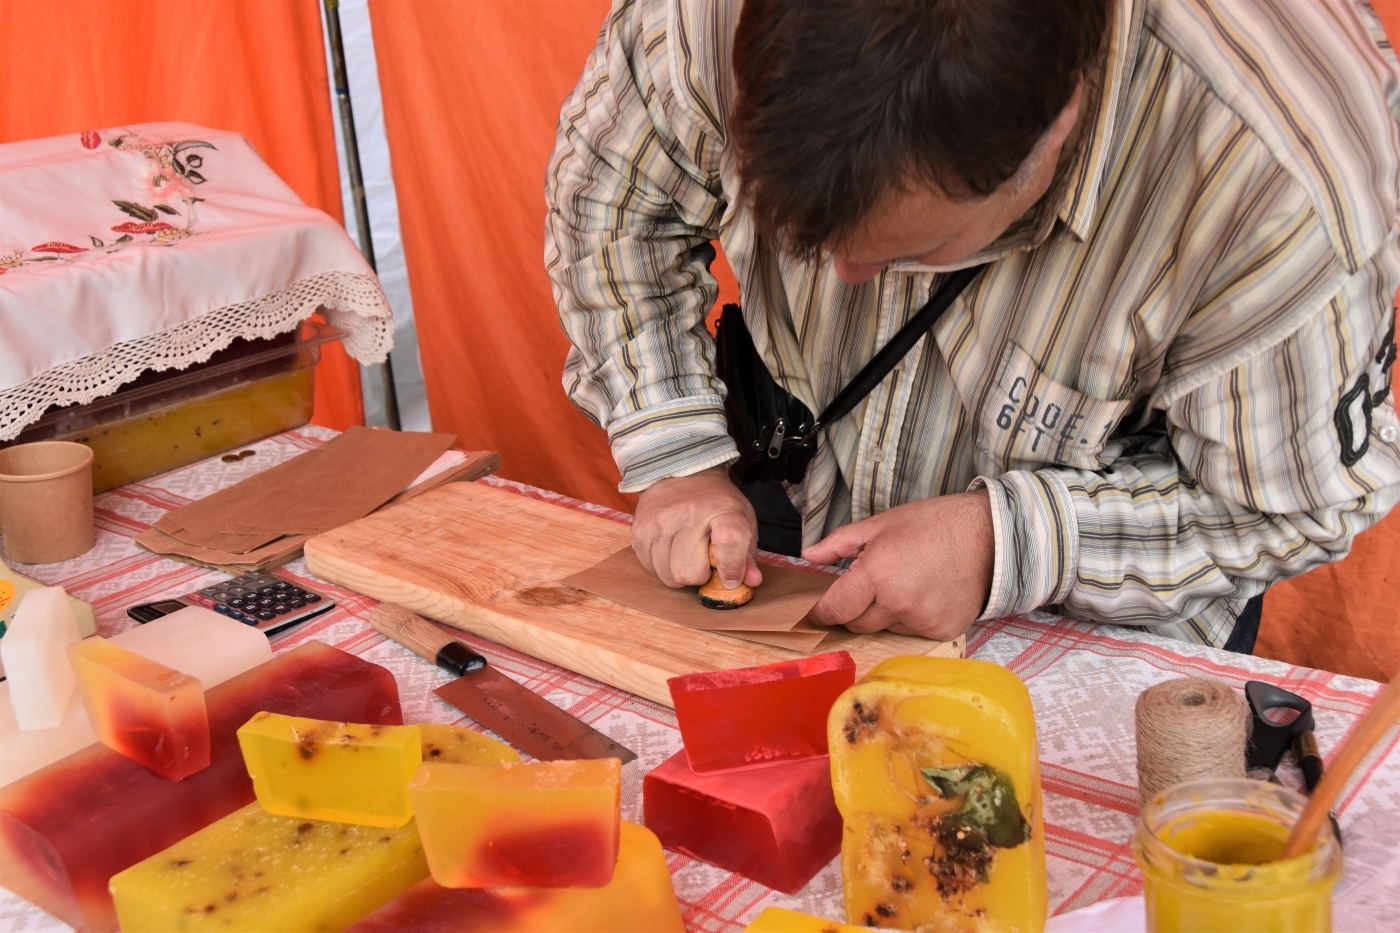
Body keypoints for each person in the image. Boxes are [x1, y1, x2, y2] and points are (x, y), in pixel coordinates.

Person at [544, 0, 1400, 651]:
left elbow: (1280, 507)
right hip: (788, 470)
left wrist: (1007, 543)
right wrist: (682, 457)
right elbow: (612, 213)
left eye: (913, 249)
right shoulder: (702, 14)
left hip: (1099, 593)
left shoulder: (1285, 176)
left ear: (1056, 129)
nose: (840, 274)